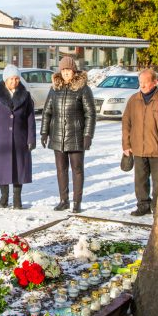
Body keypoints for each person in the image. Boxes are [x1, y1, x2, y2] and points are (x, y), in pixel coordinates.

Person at [40, 56, 96, 213]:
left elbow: (90, 114)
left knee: (77, 169)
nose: (65, 73)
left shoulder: (83, 89)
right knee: (61, 169)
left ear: (74, 71)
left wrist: (88, 135)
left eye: (68, 70)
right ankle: (63, 200)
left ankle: (77, 202)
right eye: (63, 70)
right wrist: (44, 132)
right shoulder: (54, 89)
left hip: (76, 135)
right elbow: (47, 112)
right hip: (57, 135)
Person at [0, 64, 35, 209]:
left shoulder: (26, 95)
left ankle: (17, 199)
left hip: (20, 139)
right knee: (2, 169)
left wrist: (31, 139)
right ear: (5, 79)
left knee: (19, 169)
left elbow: (30, 119)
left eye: (17, 79)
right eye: (11, 79)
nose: (14, 81)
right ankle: (4, 197)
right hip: (0, 139)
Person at [121, 68, 158, 217]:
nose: (142, 85)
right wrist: (126, 144)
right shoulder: (133, 100)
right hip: (138, 148)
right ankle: (143, 205)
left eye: (146, 82)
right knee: (140, 181)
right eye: (140, 82)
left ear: (155, 82)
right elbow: (126, 122)